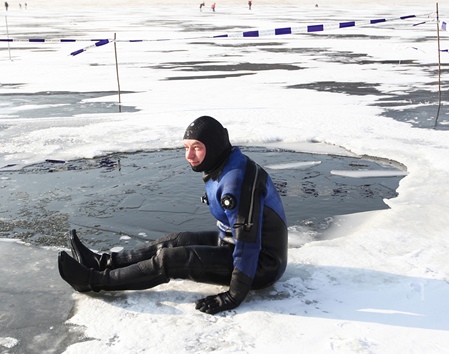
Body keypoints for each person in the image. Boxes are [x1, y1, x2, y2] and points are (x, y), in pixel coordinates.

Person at [58, 116, 288, 314]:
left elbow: (248, 246)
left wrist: (232, 297)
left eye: (196, 147)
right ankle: (101, 262)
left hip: (262, 264)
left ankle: (92, 281)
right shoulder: (225, 164)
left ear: (215, 145)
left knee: (170, 260)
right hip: (230, 241)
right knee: (174, 241)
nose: (189, 155)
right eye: (186, 147)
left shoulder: (236, 183)